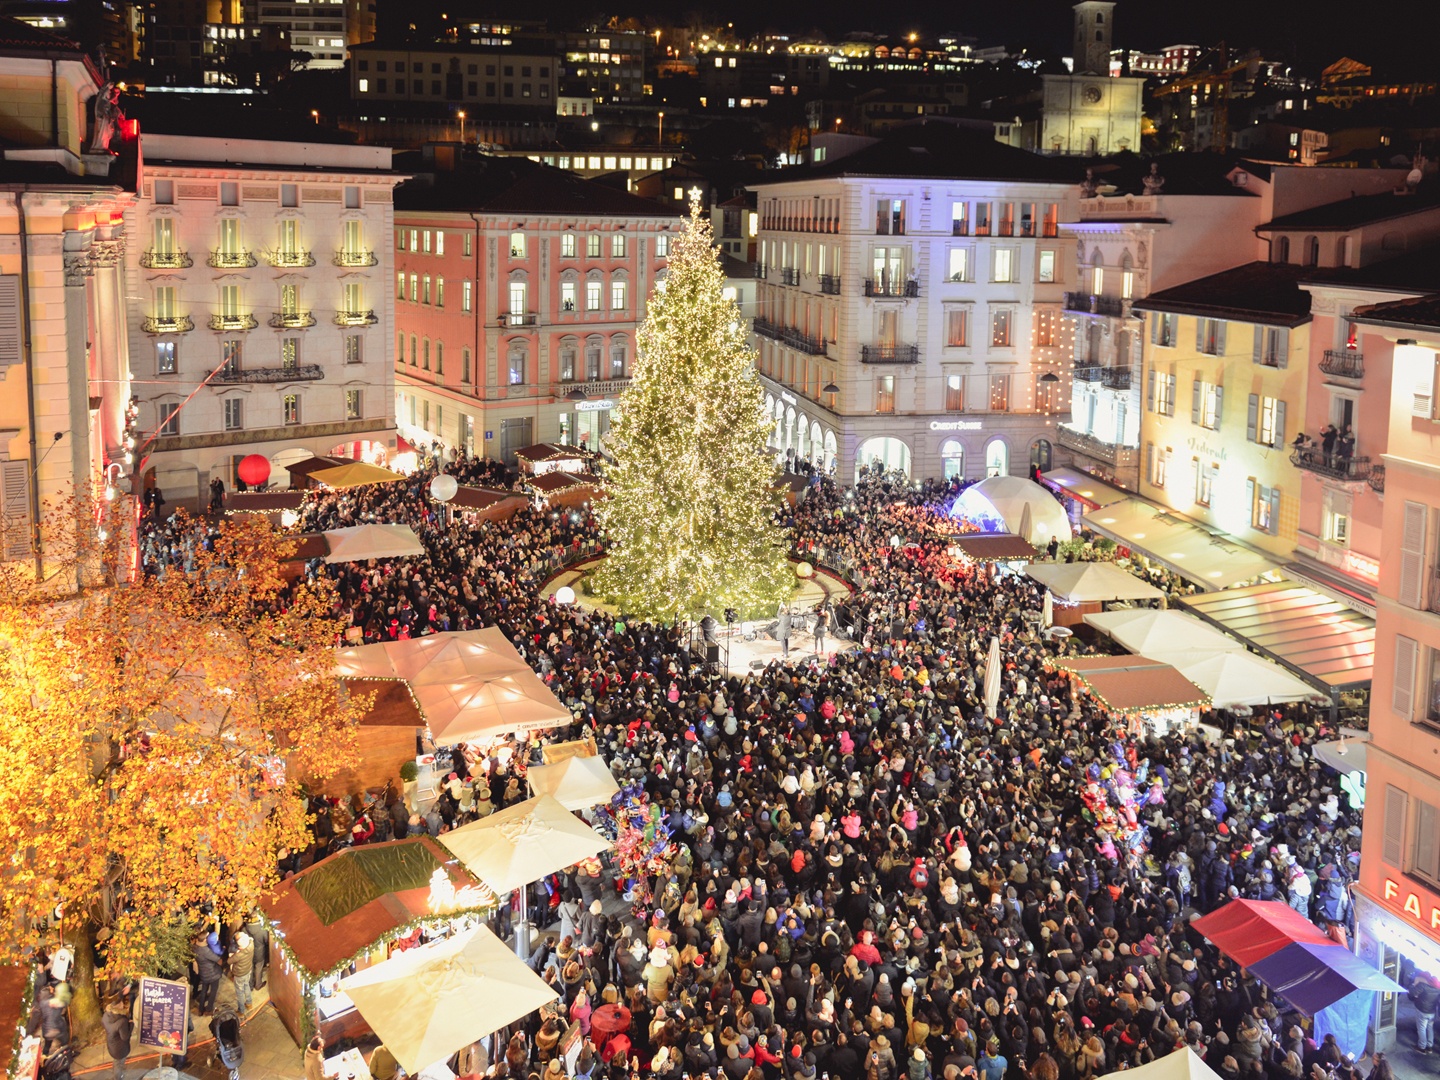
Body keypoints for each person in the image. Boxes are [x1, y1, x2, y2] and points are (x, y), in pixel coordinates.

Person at [101, 987, 134, 1080]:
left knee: (116, 1062)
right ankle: (118, 1077)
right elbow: (125, 1037)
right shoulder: (122, 1021)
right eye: (121, 1002)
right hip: (120, 1049)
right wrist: (131, 1025)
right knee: (119, 1064)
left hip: (111, 1045)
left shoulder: (106, 1015)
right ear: (119, 1005)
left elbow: (103, 1024)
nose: (123, 1003)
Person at [1412, 973, 1438, 1052]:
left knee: (1421, 1029)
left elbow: (1413, 993)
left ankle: (1422, 1047)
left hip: (1422, 1011)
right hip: (1432, 1012)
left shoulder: (1424, 987)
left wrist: (1413, 985)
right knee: (1430, 1028)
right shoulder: (1438, 990)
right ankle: (1429, 1046)